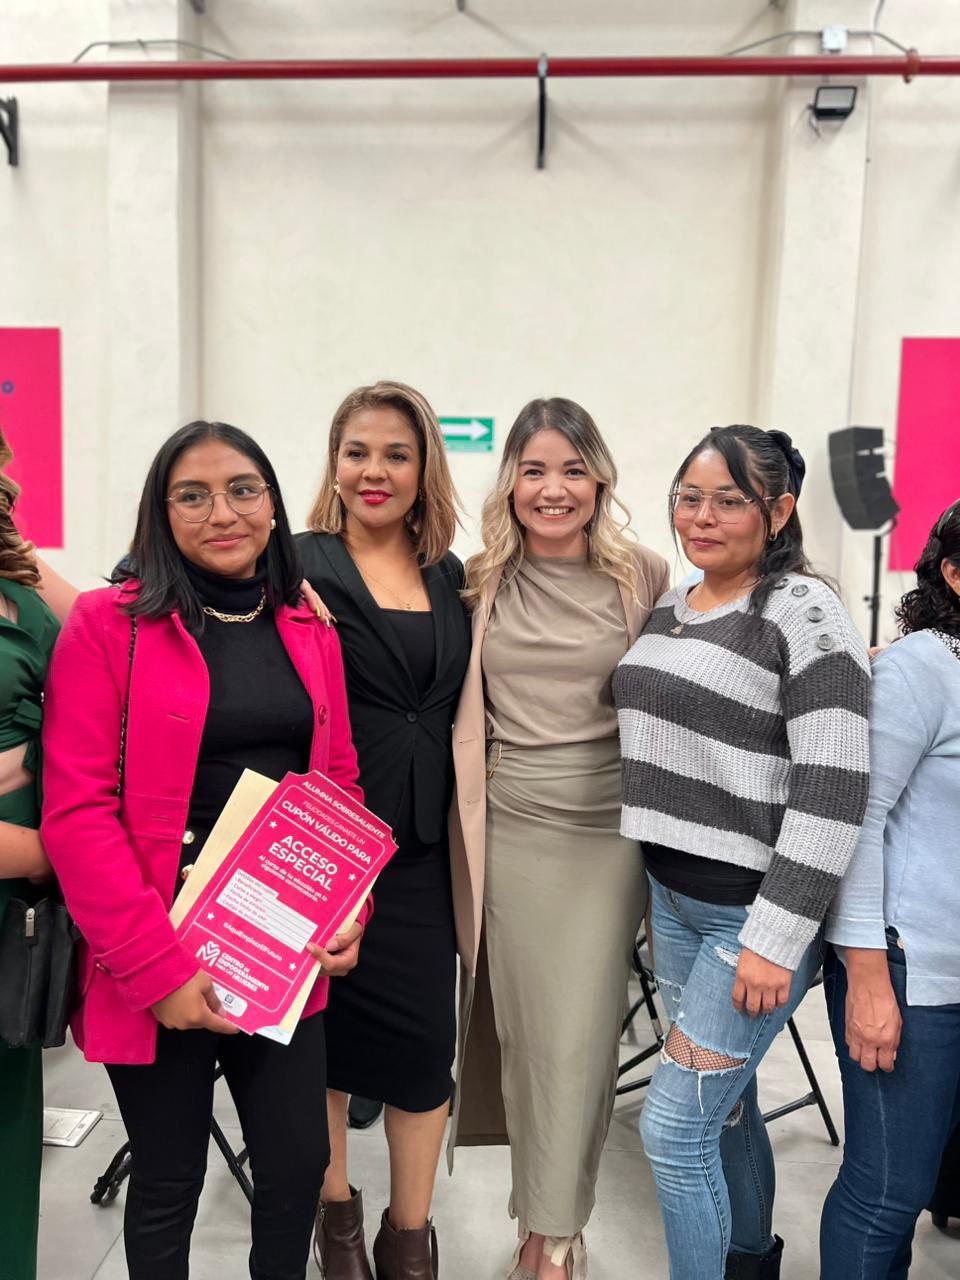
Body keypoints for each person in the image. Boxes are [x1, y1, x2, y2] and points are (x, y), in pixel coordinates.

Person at [41, 421, 368, 1280]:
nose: (221, 511)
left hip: (281, 953)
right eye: (193, 494)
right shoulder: (108, 625)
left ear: (273, 504)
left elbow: (338, 784)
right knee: (169, 1179)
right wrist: (159, 970)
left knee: (299, 1167)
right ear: (162, 511)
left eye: (243, 489)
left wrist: (349, 912)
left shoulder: (307, 623)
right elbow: (77, 812)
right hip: (155, 952)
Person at [612, 425, 871, 1280]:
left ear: (779, 510)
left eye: (729, 500)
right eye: (690, 497)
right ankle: (751, 1259)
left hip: (747, 916)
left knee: (674, 1129)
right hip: (674, 900)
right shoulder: (676, 605)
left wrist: (774, 937)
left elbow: (835, 787)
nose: (704, 515)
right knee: (723, 1113)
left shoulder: (803, 610)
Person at [450, 397, 670, 1280]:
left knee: (581, 1040)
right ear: (509, 480)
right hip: (510, 822)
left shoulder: (643, 575)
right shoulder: (476, 580)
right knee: (532, 1038)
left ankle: (554, 1236)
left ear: (600, 479)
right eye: (535, 470)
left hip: (612, 830)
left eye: (573, 470)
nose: (554, 488)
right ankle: (542, 1224)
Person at [298, 381, 470, 1280]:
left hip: (423, 849)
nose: (375, 471)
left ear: (422, 467)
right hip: (322, 844)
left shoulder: (453, 573)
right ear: (335, 461)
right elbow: (151, 582)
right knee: (326, 1043)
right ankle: (339, 1228)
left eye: (396, 454)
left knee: (418, 1048)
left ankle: (413, 1240)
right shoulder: (292, 563)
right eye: (358, 451)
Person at [820, 500, 960, 1278]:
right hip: (914, 972)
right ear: (954, 574)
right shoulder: (921, 668)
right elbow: (856, 820)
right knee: (887, 1194)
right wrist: (868, 978)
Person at [0, 430, 64, 1280]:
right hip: (27, 863)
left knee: (9, 1134)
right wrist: (46, 847)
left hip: (19, 915)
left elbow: (124, 624)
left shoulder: (19, 573)